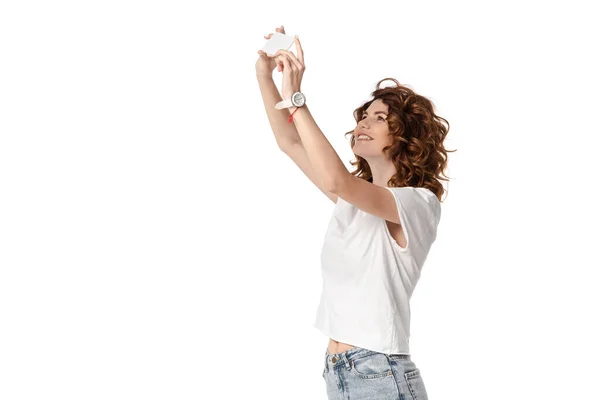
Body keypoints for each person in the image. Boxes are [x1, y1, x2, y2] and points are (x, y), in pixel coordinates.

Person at [256, 25, 454, 400]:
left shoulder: (418, 203)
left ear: (407, 136)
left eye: (380, 118)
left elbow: (336, 181)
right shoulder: (354, 203)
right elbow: (289, 141)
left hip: (380, 374)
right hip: (343, 374)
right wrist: (264, 75)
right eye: (364, 114)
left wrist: (297, 98)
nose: (363, 122)